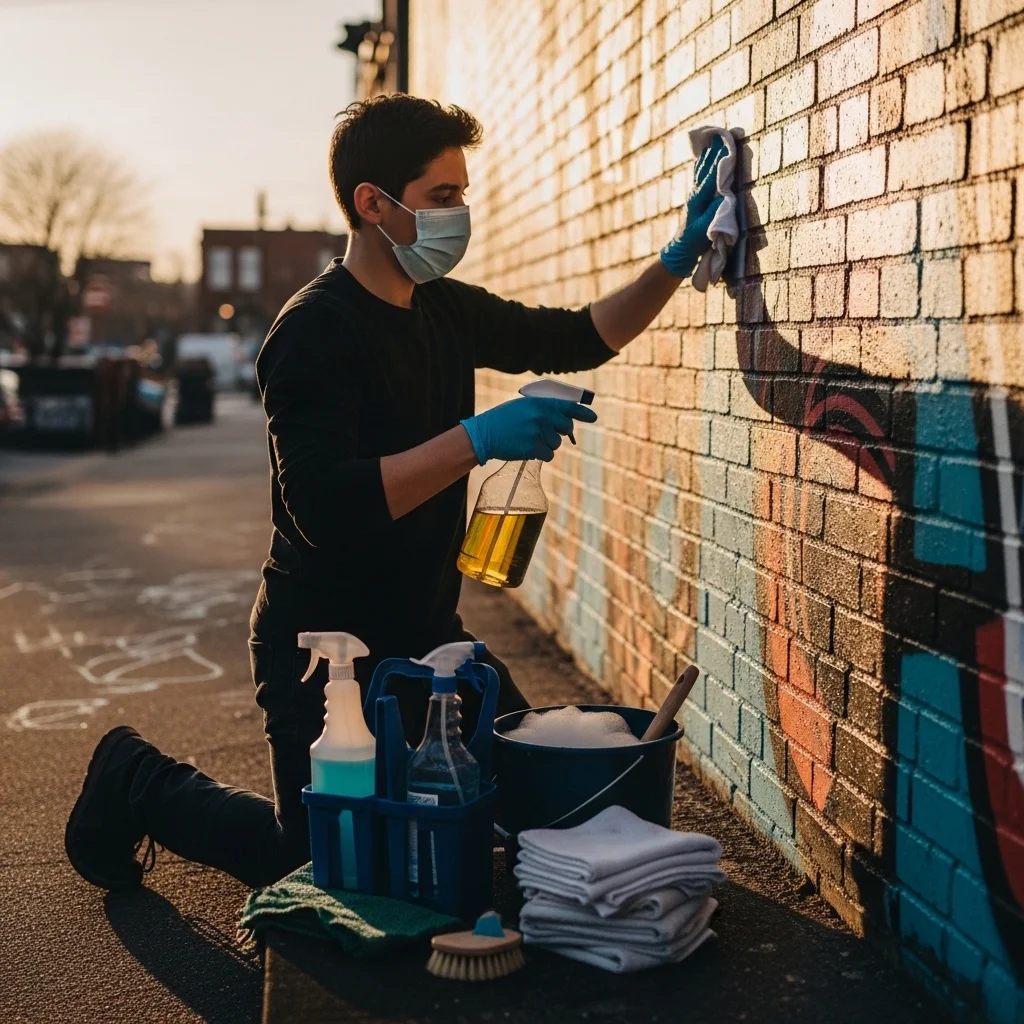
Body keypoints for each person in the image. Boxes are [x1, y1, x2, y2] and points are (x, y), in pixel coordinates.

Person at [65, 95, 726, 891]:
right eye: (442, 197)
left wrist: (680, 253)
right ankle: (133, 777)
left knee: (540, 801)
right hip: (322, 655)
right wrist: (478, 439)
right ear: (371, 204)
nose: (461, 214)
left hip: (428, 639)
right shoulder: (313, 331)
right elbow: (325, 508)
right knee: (317, 860)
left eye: (461, 195)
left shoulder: (444, 308)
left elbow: (580, 336)